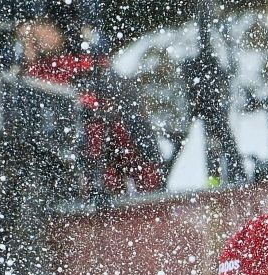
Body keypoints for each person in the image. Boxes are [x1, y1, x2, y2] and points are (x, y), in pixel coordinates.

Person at [15, 0, 164, 196]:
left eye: (39, 25)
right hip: (54, 183)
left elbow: (127, 131)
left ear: (59, 27)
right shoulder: (23, 78)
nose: (30, 33)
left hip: (94, 183)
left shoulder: (90, 68)